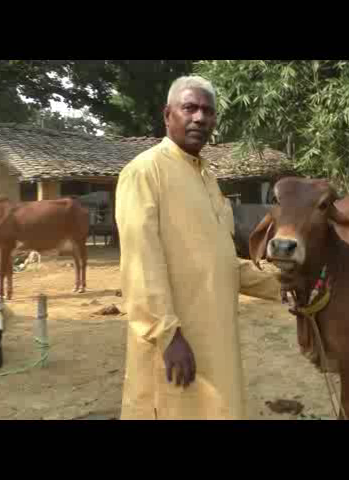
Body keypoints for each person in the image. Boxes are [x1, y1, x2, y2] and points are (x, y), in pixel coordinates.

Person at [115, 75, 283, 420]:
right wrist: (168, 336)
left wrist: (287, 286)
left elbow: (223, 264)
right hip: (175, 345)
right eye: (189, 108)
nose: (200, 118)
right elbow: (141, 264)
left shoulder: (208, 179)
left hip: (216, 344)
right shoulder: (145, 173)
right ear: (168, 115)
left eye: (207, 111)